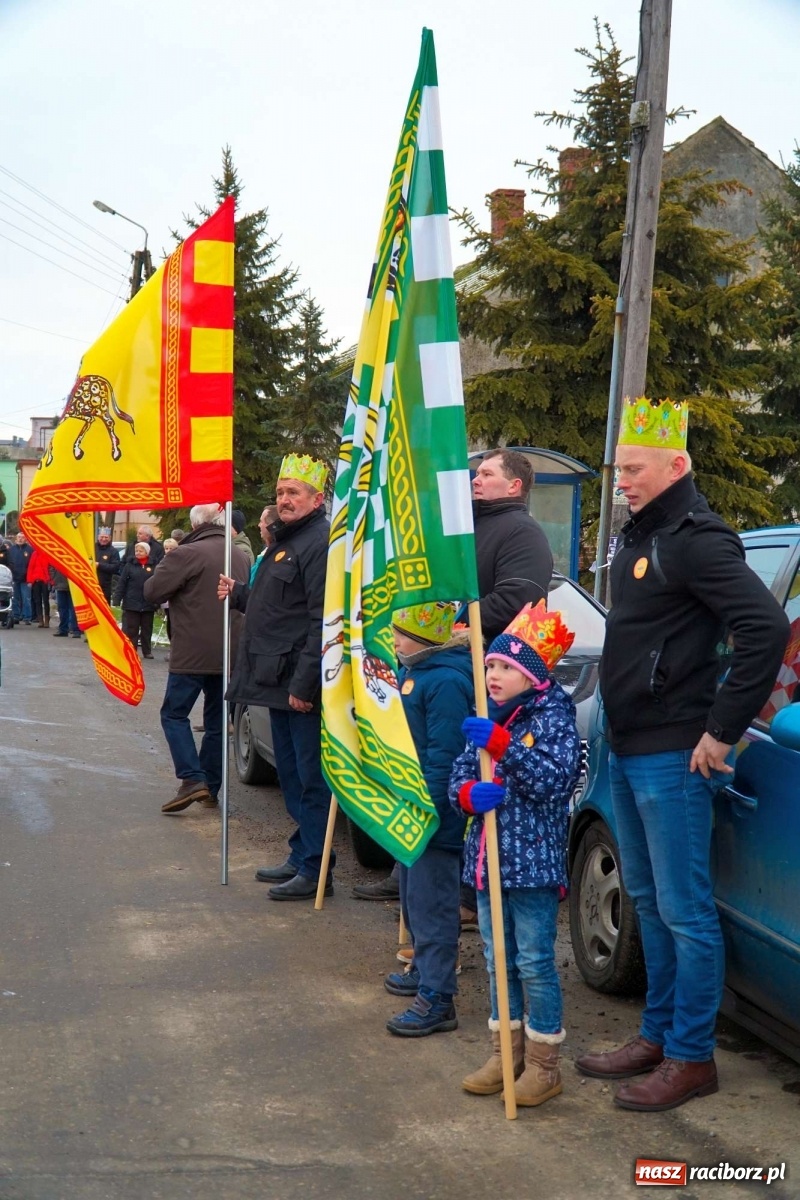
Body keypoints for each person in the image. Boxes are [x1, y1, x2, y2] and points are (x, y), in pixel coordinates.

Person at [575, 398, 790, 1113]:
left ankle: (693, 1057)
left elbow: (763, 628)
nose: (622, 482)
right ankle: (659, 1034)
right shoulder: (641, 540)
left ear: (678, 465)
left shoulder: (700, 539)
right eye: (618, 470)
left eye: (634, 470)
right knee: (648, 902)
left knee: (686, 910)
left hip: (676, 753)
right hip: (632, 745)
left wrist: (723, 729)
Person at [450, 600, 580, 1105]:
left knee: (533, 961)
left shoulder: (553, 716)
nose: (494, 674)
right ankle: (506, 1053)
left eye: (506, 667)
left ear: (532, 675)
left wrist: (505, 746)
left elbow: (555, 780)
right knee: (495, 958)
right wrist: (465, 796)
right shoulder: (486, 715)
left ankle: (545, 1064)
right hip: (487, 863)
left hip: (532, 868)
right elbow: (460, 773)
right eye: (489, 665)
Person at [218, 453, 330, 900]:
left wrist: (305, 685)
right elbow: (281, 609)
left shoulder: (318, 541)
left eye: (294, 493)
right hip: (275, 681)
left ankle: (317, 869)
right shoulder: (287, 541)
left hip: (298, 686)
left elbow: (322, 620)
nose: (284, 499)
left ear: (317, 498)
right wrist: (240, 594)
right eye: (281, 492)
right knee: (290, 774)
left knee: (310, 779)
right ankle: (302, 853)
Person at [382, 602, 474, 1038]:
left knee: (433, 903)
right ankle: (422, 967)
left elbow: (445, 756)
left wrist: (432, 813)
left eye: (400, 632)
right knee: (412, 897)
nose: (394, 639)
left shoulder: (447, 680)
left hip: (434, 816)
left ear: (424, 636)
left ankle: (439, 996)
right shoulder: (416, 671)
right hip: (413, 809)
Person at [144, 503, 249, 813]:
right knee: (217, 722)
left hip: (192, 651)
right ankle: (210, 787)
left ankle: (192, 778)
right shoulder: (239, 555)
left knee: (174, 714)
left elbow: (152, 591)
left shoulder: (186, 553)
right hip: (229, 651)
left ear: (194, 525)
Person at [113, 543, 157, 658]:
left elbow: (158, 584)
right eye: (136, 550)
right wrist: (117, 598)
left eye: (141, 551)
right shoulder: (129, 565)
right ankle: (132, 650)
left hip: (148, 602)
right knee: (132, 628)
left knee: (147, 628)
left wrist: (158, 601)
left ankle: (147, 651)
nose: (138, 553)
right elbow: (122, 583)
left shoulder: (154, 565)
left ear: (147, 552)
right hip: (131, 602)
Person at [8, 532, 34, 625]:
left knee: (26, 598)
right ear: (16, 538)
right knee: (15, 598)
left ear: (26, 539)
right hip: (14, 578)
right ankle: (16, 616)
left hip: (26, 579)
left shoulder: (30, 550)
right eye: (19, 537)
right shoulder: (11, 550)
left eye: (22, 537)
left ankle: (27, 617)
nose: (20, 539)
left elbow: (32, 565)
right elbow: (9, 563)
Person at [250, 504, 278, 584]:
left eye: (261, 521)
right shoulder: (265, 553)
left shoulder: (275, 556)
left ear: (270, 525)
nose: (259, 525)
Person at [50, 565, 81, 638]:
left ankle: (75, 630)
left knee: (73, 609)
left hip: (73, 585)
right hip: (60, 585)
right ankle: (63, 629)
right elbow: (51, 566)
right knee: (62, 609)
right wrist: (54, 578)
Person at [95, 526, 121, 604]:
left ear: (109, 538)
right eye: (102, 537)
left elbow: (115, 567)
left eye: (106, 537)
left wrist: (99, 565)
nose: (104, 539)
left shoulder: (113, 551)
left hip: (105, 586)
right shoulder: (92, 548)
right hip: (91, 584)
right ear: (98, 537)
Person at [27, 547, 52, 627]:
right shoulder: (34, 554)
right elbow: (30, 567)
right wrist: (29, 580)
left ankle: (47, 620)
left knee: (45, 601)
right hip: (36, 580)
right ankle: (40, 620)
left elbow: (49, 568)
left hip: (45, 580)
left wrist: (50, 580)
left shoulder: (47, 554)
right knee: (37, 601)